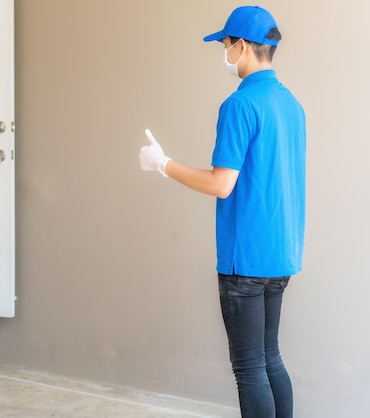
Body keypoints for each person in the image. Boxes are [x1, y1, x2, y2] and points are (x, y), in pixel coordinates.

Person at [139, 6, 305, 418]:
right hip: (280, 253)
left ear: (243, 46)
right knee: (270, 357)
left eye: (227, 44)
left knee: (250, 367)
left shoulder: (239, 105)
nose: (225, 52)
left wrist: (163, 164)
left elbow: (221, 183)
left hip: (244, 258)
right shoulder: (291, 105)